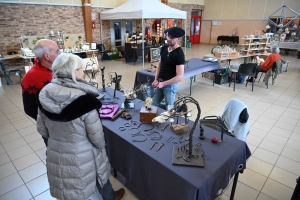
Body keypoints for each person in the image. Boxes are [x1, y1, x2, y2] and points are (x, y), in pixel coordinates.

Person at [36, 53, 125, 200]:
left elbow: (42, 129)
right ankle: (110, 197)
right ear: (74, 71)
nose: (83, 72)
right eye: (81, 69)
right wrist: (102, 146)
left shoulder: (44, 93)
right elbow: (96, 137)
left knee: (69, 186)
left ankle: (110, 196)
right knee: (98, 176)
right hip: (84, 151)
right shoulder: (85, 100)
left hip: (56, 149)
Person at [21, 39, 60, 146]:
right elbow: (30, 108)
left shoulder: (55, 68)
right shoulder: (31, 77)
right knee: (55, 153)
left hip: (65, 122)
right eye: (57, 51)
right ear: (47, 56)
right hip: (52, 126)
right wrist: (52, 121)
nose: (60, 54)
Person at [151, 27, 185, 109]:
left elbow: (180, 77)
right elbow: (160, 65)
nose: (169, 39)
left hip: (170, 87)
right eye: (168, 36)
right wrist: (156, 79)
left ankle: (172, 116)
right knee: (153, 105)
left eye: (172, 37)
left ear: (178, 39)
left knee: (169, 109)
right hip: (160, 83)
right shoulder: (164, 48)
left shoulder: (179, 53)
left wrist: (163, 84)